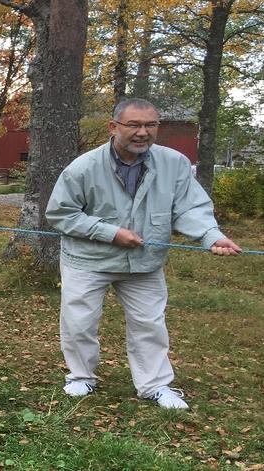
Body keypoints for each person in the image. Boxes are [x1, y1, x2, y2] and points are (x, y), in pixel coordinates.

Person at [46, 98, 241, 409]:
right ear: (113, 127)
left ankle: (155, 386)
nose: (143, 132)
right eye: (134, 125)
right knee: (79, 321)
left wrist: (210, 235)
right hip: (88, 260)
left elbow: (190, 207)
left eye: (150, 125)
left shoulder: (174, 163)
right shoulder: (83, 167)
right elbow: (61, 214)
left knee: (150, 324)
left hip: (144, 262)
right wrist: (111, 233)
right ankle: (81, 376)